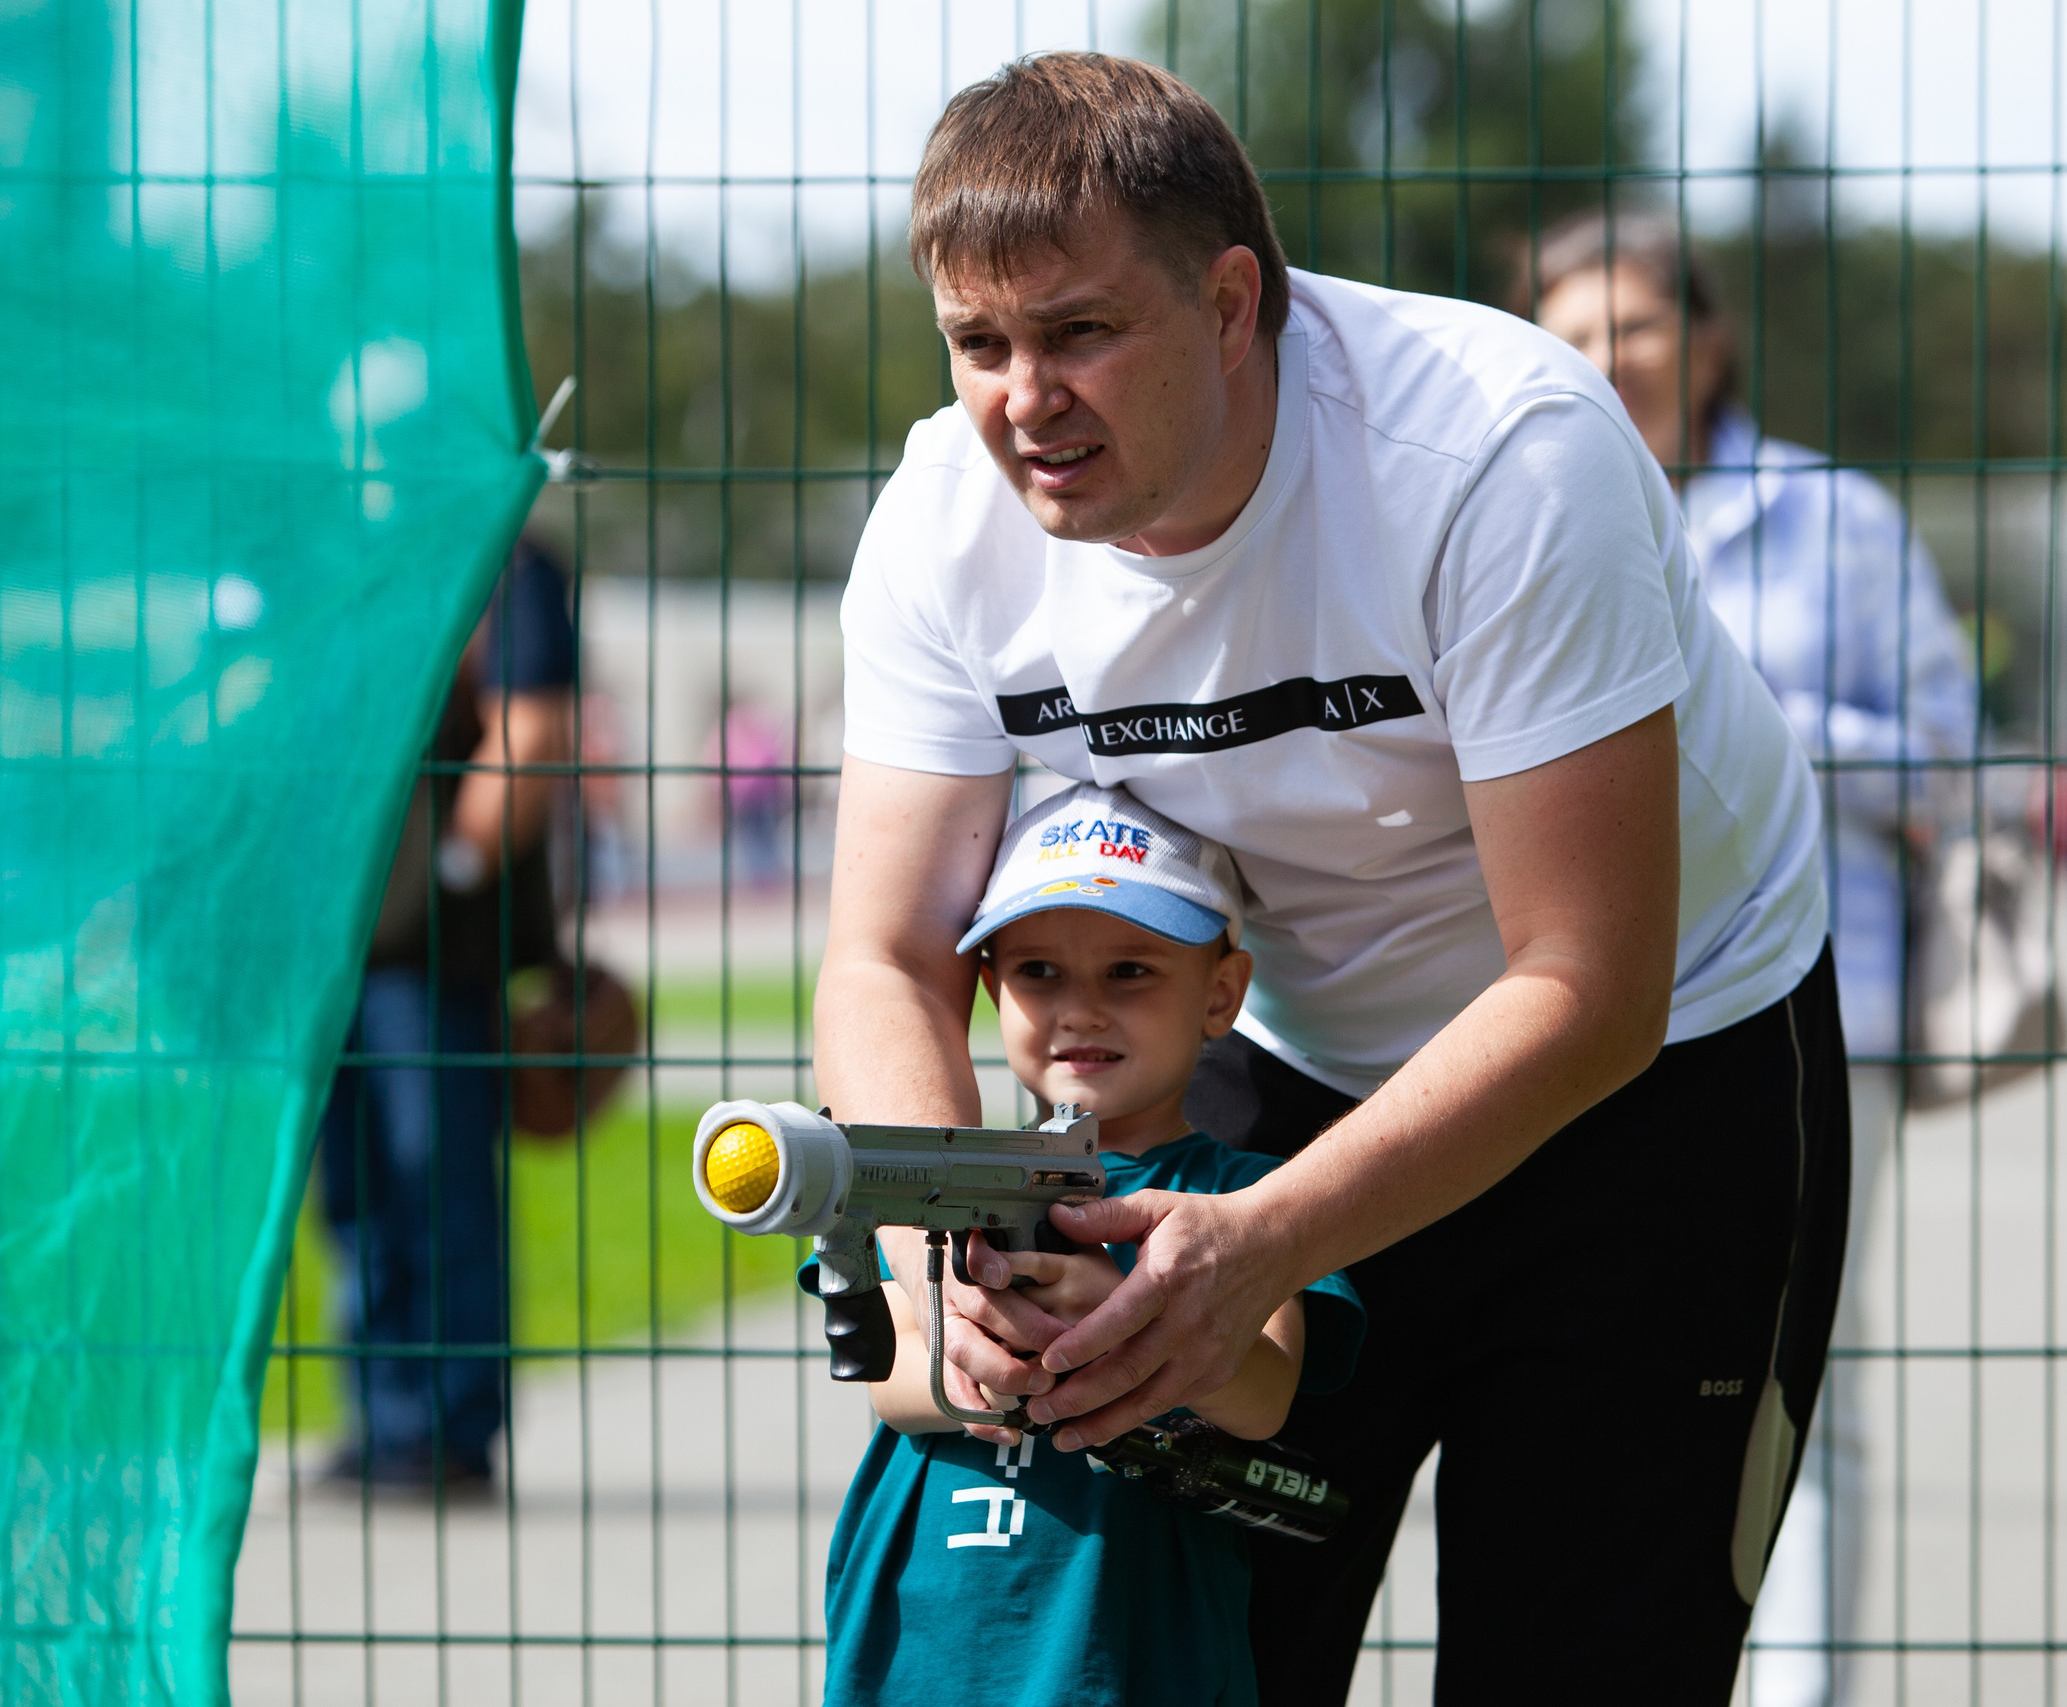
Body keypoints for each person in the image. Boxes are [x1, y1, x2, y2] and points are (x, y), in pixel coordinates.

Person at [811, 52, 1851, 1704]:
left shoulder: (1500, 449)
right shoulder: (943, 523)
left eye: (1079, 329)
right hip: (1285, 1071)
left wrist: (1260, 1242)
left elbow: (1590, 985)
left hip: (1661, 1075)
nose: (1022, 399)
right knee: (1208, 1664)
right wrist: (939, 1248)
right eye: (977, 343)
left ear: (1234, 305)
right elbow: (880, 956)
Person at [1527, 209, 1977, 1707]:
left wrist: (1746, 716)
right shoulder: (1524, 505)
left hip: (1814, 1007)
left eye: (1638, 328)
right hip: (1582, 1003)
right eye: (1574, 334)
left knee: (1801, 1396)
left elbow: (1947, 760)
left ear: (1707, 340)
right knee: (1599, 1382)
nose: (1608, 360)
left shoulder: (1836, 518)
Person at [817, 783, 1365, 1707]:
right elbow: (887, 1377)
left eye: (1130, 971)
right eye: (1038, 972)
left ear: (1221, 992)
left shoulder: (1248, 1194)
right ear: (991, 987)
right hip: (928, 1626)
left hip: (1129, 1633)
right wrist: (991, 1371)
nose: (1081, 1009)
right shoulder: (943, 1168)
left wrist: (1123, 1314)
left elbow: (1266, 1394)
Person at [312, 526, 579, 1490]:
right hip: (326, 943)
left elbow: (532, 731)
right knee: (353, 1189)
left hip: (431, 949)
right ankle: (384, 1419)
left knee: (435, 1179)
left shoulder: (505, 558)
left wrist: (451, 872)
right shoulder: (340, 556)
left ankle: (448, 1427)